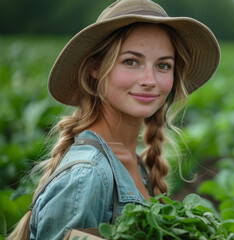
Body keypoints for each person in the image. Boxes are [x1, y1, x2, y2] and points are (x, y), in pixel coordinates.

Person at [7, 0, 220, 239]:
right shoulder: (87, 176)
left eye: (163, 65)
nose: (150, 79)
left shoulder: (135, 163)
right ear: (96, 69)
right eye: (131, 61)